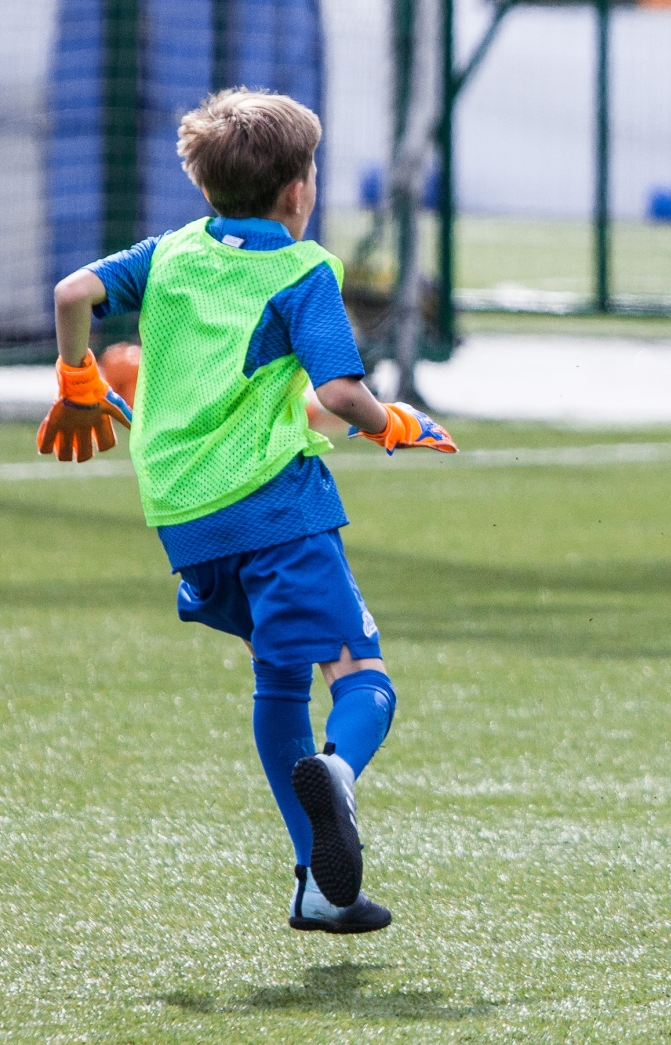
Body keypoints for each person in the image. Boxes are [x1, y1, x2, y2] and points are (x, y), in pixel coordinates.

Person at [38, 88, 457, 934]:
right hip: (276, 508)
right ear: (298, 190)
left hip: (184, 518)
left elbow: (72, 291)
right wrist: (394, 424)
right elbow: (341, 393)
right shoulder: (303, 269)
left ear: (206, 185)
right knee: (361, 674)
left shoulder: (171, 253)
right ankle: (339, 771)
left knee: (277, 676)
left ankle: (320, 888)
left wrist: (77, 376)